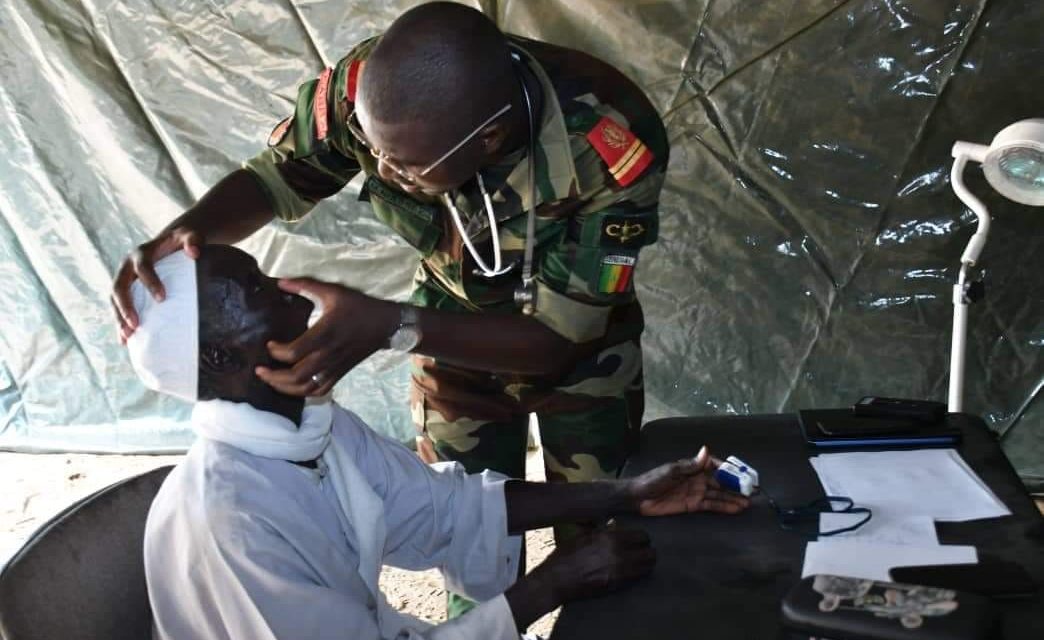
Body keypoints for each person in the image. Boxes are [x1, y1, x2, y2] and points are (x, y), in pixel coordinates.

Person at [129, 247, 749, 640]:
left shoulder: (313, 429)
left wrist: (626, 493)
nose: (292, 287)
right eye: (259, 289)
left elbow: (444, 509)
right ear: (218, 355)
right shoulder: (232, 521)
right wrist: (549, 585)